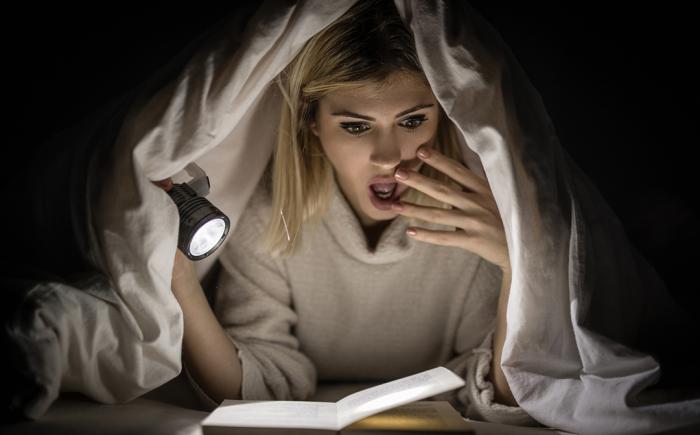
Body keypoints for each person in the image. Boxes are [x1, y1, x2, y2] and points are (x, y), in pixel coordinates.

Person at [160, 0, 536, 426]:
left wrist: (513, 263)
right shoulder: (270, 215)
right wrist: (180, 281)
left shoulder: (471, 224)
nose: (388, 157)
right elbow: (246, 388)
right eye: (356, 126)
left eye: (412, 121)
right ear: (313, 124)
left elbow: (501, 394)